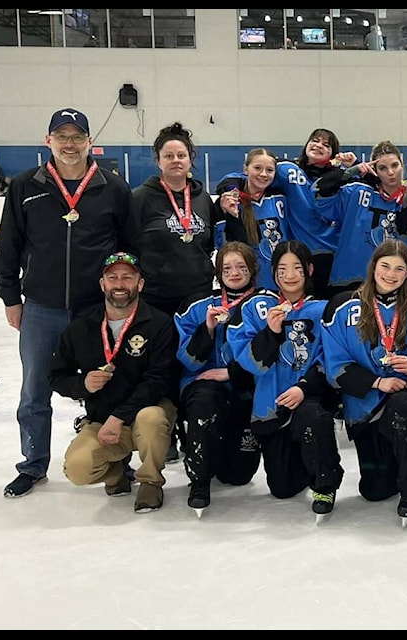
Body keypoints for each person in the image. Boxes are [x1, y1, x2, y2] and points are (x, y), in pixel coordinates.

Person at [0, 107, 136, 498]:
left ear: (90, 142)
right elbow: (9, 245)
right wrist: (11, 296)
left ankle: (115, 464)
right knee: (35, 390)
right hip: (42, 306)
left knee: (108, 385)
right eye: (62, 136)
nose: (69, 144)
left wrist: (125, 298)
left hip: (97, 309)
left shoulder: (112, 187)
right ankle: (33, 464)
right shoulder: (26, 185)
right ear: (48, 141)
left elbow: (129, 248)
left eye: (77, 137)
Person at [50, 252, 177, 513]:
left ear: (139, 284)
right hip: (101, 420)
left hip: (144, 413)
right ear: (102, 284)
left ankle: (150, 482)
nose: (120, 285)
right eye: (113, 278)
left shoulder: (159, 324)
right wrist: (82, 384)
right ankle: (115, 473)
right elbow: (56, 376)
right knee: (77, 469)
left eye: (127, 278)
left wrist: (119, 417)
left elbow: (158, 381)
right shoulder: (81, 327)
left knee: (151, 418)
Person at [229, 240, 344, 517]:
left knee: (312, 418)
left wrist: (304, 388)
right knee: (282, 487)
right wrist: (270, 333)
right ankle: (304, 461)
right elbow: (247, 362)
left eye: (296, 268)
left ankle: (325, 482)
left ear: (309, 270)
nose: (289, 275)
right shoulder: (257, 307)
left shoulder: (323, 311)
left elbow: (332, 359)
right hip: (272, 403)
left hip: (308, 396)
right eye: (282, 269)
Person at [322, 239, 407, 522]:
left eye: (399, 269)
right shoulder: (343, 309)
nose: (391, 274)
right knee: (375, 489)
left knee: (406, 410)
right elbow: (335, 365)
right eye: (385, 266)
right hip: (363, 406)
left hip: (398, 400)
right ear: (373, 267)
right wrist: (376, 382)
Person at [132, 121, 218, 462]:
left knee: (193, 364)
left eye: (181, 155)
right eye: (169, 155)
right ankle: (163, 433)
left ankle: (192, 427)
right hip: (157, 299)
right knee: (161, 367)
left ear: (191, 158)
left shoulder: (201, 198)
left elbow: (208, 243)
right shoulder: (140, 198)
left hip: (195, 298)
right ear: (158, 160)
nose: (176, 160)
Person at [174, 242, 263, 514]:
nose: (234, 273)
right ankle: (199, 480)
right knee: (206, 401)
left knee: (238, 475)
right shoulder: (197, 306)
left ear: (253, 269)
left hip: (246, 386)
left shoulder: (265, 303)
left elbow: (271, 355)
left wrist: (235, 374)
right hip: (204, 383)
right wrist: (208, 330)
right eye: (226, 268)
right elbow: (185, 360)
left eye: (240, 267)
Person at [313, 140, 407, 297]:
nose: (390, 173)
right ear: (374, 171)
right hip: (346, 281)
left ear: (402, 165)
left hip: (389, 283)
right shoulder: (355, 192)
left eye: (394, 165)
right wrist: (350, 172)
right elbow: (318, 197)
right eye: (382, 168)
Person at [273, 128, 357, 299]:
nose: (319, 146)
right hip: (301, 255)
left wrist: (353, 167)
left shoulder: (341, 177)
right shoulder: (288, 170)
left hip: (333, 258)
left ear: (333, 154)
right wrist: (231, 187)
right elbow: (252, 173)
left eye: (326, 145)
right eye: (315, 140)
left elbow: (374, 186)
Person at [214, 147, 288, 291]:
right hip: (246, 283)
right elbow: (225, 246)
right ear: (245, 169)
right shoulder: (228, 201)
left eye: (269, 170)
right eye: (257, 168)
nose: (263, 174)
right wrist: (232, 216)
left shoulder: (280, 197)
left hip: (281, 280)